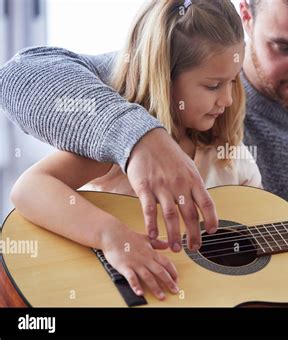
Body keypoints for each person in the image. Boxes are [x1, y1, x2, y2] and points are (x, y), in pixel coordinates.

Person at [0, 0, 288, 306]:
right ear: (247, 16)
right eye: (282, 46)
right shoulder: (180, 58)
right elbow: (23, 75)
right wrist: (138, 139)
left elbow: (284, 267)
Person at [9, 0, 262, 300]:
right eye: (212, 86)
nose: (228, 99)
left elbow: (256, 244)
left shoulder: (232, 160)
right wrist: (109, 236)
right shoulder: (121, 150)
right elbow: (28, 189)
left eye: (233, 82)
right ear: (163, 77)